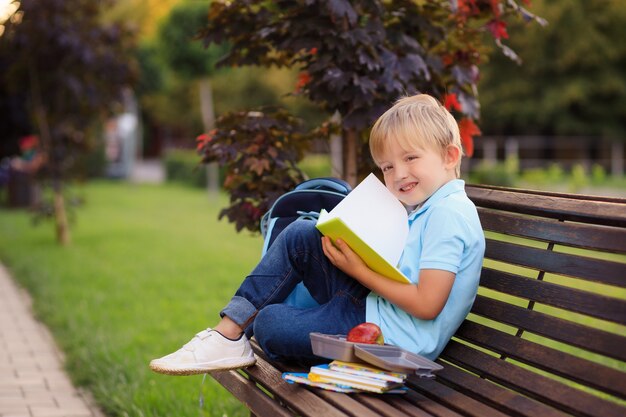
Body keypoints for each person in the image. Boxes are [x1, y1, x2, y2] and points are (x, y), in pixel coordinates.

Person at [149, 93, 485, 375]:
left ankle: (239, 339)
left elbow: (427, 304)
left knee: (269, 324)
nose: (398, 174)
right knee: (303, 234)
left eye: (410, 158)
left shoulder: (449, 214)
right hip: (372, 308)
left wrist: (360, 271)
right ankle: (226, 334)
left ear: (449, 156)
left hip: (389, 342)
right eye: (387, 167)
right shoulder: (428, 206)